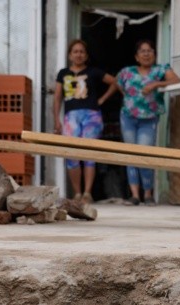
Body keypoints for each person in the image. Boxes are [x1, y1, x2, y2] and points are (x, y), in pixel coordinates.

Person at [115, 39, 180, 206]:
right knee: (130, 154)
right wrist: (130, 99)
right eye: (142, 51)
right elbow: (117, 84)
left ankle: (148, 194)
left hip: (149, 119)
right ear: (136, 57)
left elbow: (177, 81)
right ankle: (135, 195)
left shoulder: (161, 69)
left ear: (154, 54)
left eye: (149, 51)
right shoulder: (127, 72)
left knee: (144, 154)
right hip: (128, 117)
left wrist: (156, 84)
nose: (146, 54)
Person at [54, 39, 117, 204]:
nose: (78, 54)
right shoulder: (63, 73)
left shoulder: (93, 71)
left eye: (82, 51)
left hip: (92, 116)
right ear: (69, 55)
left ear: (86, 55)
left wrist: (102, 100)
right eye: (75, 51)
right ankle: (77, 193)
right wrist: (56, 120)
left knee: (89, 154)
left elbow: (115, 82)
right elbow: (57, 98)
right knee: (72, 155)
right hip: (70, 117)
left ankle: (87, 193)